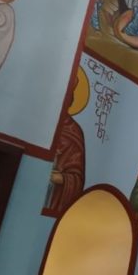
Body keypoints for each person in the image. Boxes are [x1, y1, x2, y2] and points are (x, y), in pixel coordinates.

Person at [43, 76, 85, 217]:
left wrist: (61, 178)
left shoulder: (74, 131)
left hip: (53, 196)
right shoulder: (42, 119)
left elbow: (77, 178)